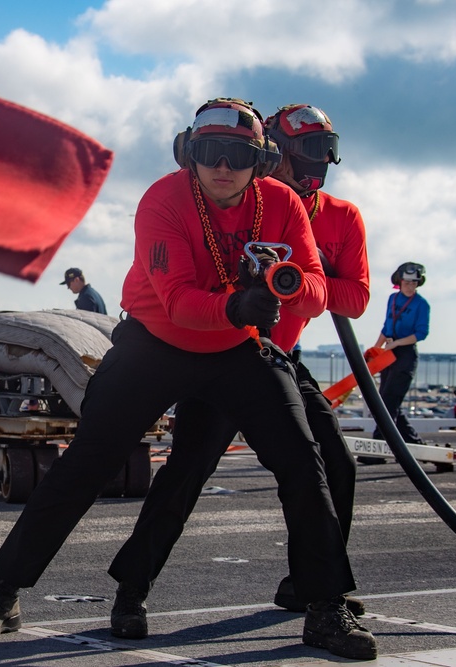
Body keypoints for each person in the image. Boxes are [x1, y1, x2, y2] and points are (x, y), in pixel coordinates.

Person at [0, 98, 377, 661]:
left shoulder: (281, 204)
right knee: (86, 464)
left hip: (238, 348)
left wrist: (287, 287)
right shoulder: (163, 200)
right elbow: (178, 303)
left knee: (306, 463)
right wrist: (239, 304)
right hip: (156, 342)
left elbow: (324, 290)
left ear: (261, 160)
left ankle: (325, 606)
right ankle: (2, 593)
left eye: (237, 154)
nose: (221, 166)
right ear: (189, 154)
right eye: (209, 152)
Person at [107, 103, 371, 632]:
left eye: (325, 152)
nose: (315, 166)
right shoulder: (247, 205)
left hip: (282, 359)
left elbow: (354, 298)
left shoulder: (339, 217)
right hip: (230, 350)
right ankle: (131, 589)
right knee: (188, 471)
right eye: (307, 154)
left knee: (332, 464)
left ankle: (314, 588)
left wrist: (293, 280)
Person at [367, 262, 430, 448]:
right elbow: (386, 327)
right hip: (388, 352)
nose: (410, 286)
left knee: (387, 403)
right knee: (388, 400)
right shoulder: (392, 299)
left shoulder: (422, 304)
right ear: (400, 281)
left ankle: (379, 445)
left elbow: (421, 334)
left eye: (414, 283)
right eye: (407, 282)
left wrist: (397, 343)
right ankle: (413, 442)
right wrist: (375, 349)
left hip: (405, 354)